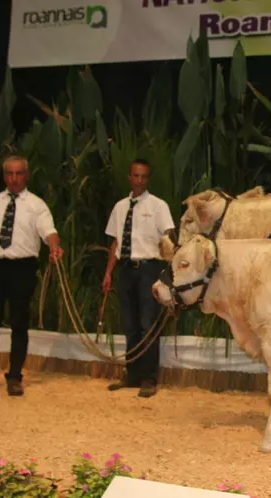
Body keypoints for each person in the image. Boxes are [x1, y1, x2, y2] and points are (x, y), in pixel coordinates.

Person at [0, 155, 64, 397]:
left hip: (22, 269)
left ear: (26, 175)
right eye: (9, 173)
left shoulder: (37, 205)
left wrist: (54, 247)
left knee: (19, 324)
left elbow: (50, 232)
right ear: (4, 176)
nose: (14, 178)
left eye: (19, 174)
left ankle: (14, 377)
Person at [102, 159, 175, 398]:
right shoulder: (120, 206)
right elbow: (115, 242)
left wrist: (167, 275)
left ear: (148, 179)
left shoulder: (158, 206)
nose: (139, 180)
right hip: (125, 268)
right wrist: (108, 272)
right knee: (130, 325)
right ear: (129, 177)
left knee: (148, 325)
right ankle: (132, 375)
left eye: (144, 176)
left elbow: (168, 239)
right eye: (136, 176)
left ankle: (149, 378)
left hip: (148, 269)